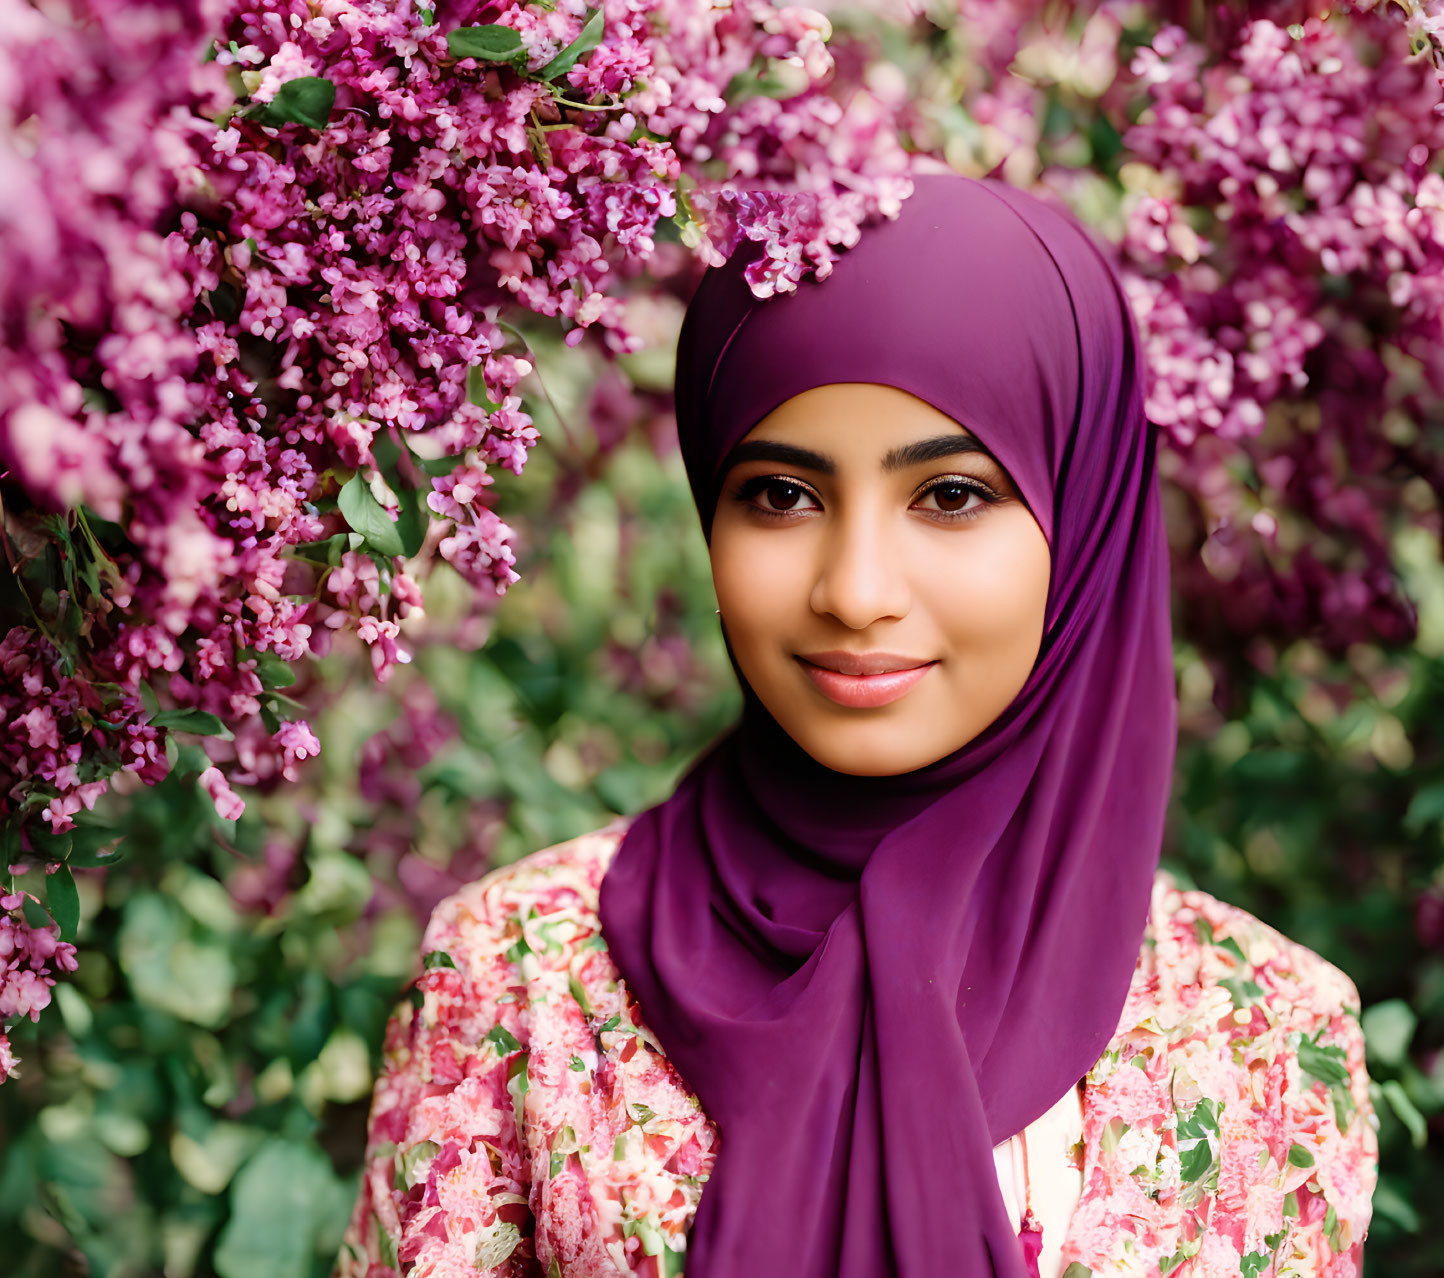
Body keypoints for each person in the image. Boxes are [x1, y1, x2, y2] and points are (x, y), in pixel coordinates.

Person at [333, 172, 1379, 1278]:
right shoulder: (518, 974)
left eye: (951, 496)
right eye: (781, 495)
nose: (855, 590)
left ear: (1081, 519)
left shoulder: (1265, 1028)